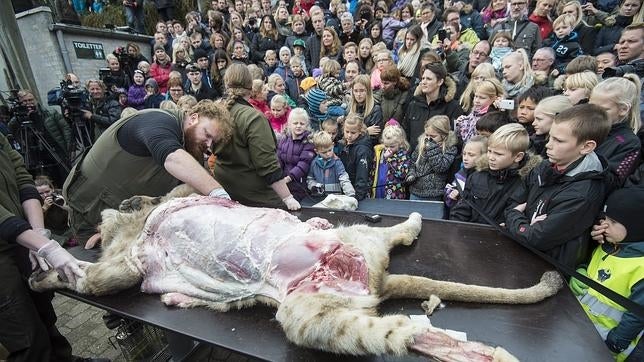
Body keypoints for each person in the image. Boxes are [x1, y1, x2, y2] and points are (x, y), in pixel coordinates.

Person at [63, 100, 234, 245]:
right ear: (194, 118)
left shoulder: (190, 149)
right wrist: (220, 194)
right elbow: (171, 155)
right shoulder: (157, 121)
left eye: (213, 142)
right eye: (207, 134)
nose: (209, 144)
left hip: (128, 223)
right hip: (91, 214)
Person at [0, 132, 102, 362]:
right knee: (24, 332)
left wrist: (38, 232)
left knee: (43, 312)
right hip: (8, 242)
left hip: (19, 236)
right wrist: (48, 248)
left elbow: (23, 182)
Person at [504, 104, 611, 268]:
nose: (548, 145)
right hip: (521, 253)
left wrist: (516, 219)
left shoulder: (583, 194)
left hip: (548, 267)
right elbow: (512, 203)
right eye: (550, 137)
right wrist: (523, 224)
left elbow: (535, 238)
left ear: (586, 146)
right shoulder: (544, 166)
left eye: (558, 140)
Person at [211, 63, 301, 210]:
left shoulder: (217, 111)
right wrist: (287, 198)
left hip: (223, 187)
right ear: (250, 84)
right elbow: (267, 165)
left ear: (226, 84)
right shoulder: (253, 117)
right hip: (252, 195)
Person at [579, 187, 644, 361]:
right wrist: (582, 269)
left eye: (613, 221)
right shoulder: (608, 246)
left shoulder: (640, 266)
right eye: (605, 218)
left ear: (636, 227)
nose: (604, 225)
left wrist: (615, 344)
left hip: (606, 346)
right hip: (580, 330)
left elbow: (636, 315)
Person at [451, 123, 535, 224]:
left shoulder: (528, 183)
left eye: (498, 154)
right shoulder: (477, 176)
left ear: (518, 157)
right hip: (470, 235)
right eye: (489, 151)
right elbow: (462, 209)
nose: (491, 157)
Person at [7, 90, 71, 185]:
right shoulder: (18, 119)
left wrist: (68, 147)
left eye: (31, 100)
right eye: (25, 101)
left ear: (36, 100)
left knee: (65, 178)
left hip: (55, 152)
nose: (29, 103)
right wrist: (20, 116)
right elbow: (11, 128)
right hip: (35, 157)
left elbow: (65, 128)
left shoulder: (49, 112)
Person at [589, 75, 642, 189]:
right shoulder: (586, 127)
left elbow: (614, 181)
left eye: (603, 109)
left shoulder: (629, 142)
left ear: (623, 109)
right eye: (591, 106)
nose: (594, 113)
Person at [404, 62, 463, 149]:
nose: (424, 82)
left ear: (440, 82)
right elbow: (406, 133)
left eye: (428, 79)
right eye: (423, 78)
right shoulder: (414, 104)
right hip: (413, 159)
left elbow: (455, 139)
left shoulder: (453, 107)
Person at [406, 115, 459, 202]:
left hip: (434, 194)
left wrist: (432, 148)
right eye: (427, 135)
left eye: (433, 136)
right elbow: (413, 162)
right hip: (415, 192)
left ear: (444, 135)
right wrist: (411, 174)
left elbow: (441, 167)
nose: (428, 138)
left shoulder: (450, 148)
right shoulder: (421, 144)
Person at [277, 109, 316, 201]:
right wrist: (277, 175)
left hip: (299, 184)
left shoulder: (308, 142)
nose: (298, 126)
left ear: (306, 125)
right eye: (295, 123)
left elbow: (303, 164)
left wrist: (289, 177)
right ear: (290, 124)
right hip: (283, 182)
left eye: (302, 124)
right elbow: (278, 159)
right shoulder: (284, 139)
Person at [454, 78, 505, 144]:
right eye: (476, 96)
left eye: (482, 98)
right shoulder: (475, 112)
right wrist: (462, 123)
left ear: (494, 99)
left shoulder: (494, 116)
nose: (477, 100)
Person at [444, 135, 488, 210]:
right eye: (464, 154)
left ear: (484, 156)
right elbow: (450, 189)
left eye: (471, 155)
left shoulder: (486, 176)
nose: (465, 158)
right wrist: (451, 193)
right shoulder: (462, 172)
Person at [307, 130, 355, 197]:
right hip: (319, 198)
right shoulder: (314, 163)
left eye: (330, 150)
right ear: (317, 151)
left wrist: (351, 194)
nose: (328, 154)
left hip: (336, 197)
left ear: (332, 145)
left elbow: (344, 178)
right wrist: (314, 186)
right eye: (324, 152)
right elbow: (310, 179)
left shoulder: (337, 162)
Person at [371, 123, 411, 199]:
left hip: (394, 192)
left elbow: (402, 174)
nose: (388, 149)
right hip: (378, 188)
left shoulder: (403, 155)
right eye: (386, 146)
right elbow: (373, 171)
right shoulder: (379, 152)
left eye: (392, 146)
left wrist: (390, 159)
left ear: (400, 143)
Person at [339, 114, 373, 201]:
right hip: (346, 189)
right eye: (347, 132)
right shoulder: (345, 144)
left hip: (357, 194)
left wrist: (357, 197)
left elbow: (362, 176)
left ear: (360, 132)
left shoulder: (363, 150)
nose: (349, 135)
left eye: (353, 133)